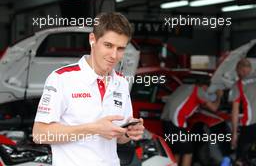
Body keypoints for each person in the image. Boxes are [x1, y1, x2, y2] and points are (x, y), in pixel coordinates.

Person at [32, 12, 144, 166]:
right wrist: (93, 128)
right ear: (92, 39)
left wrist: (129, 133)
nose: (114, 55)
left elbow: (119, 139)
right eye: (108, 45)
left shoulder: (122, 82)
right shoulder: (61, 78)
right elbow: (40, 135)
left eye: (120, 48)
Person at [161, 76, 223, 166]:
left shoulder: (184, 87)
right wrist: (219, 96)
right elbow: (214, 108)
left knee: (176, 151)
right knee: (188, 151)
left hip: (166, 122)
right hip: (177, 123)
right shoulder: (199, 91)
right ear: (205, 87)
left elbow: (190, 102)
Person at [229, 58, 256, 165]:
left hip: (250, 126)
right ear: (250, 69)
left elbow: (235, 111)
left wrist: (234, 134)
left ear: (240, 71)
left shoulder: (238, 85)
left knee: (241, 158)